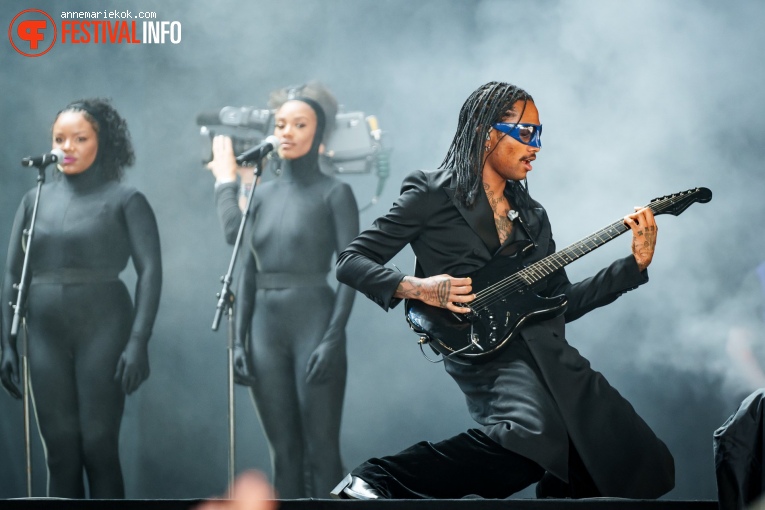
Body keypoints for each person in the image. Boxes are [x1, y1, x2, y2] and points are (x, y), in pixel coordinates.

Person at [331, 81, 675, 499]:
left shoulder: (533, 215)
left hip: (550, 350)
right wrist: (419, 288)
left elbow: (562, 303)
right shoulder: (431, 193)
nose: (536, 146)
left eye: (539, 134)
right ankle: (377, 479)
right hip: (485, 350)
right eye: (526, 133)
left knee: (627, 456)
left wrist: (634, 265)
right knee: (532, 437)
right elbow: (351, 262)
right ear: (486, 133)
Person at [0, 98, 162, 498]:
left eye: (80, 138)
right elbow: (12, 272)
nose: (66, 147)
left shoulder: (126, 199)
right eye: (59, 138)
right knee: (59, 452)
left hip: (104, 326)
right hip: (44, 332)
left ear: (102, 143)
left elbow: (151, 271)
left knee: (98, 448)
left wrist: (138, 341)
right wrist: (6, 341)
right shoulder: (34, 200)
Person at [206, 95, 359, 498]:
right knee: (284, 454)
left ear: (319, 133)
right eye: (280, 124)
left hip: (314, 319)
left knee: (322, 452)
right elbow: (247, 268)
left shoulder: (335, 193)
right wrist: (238, 341)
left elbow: (351, 273)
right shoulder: (258, 191)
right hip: (263, 330)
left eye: (299, 124)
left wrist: (332, 337)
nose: (286, 132)